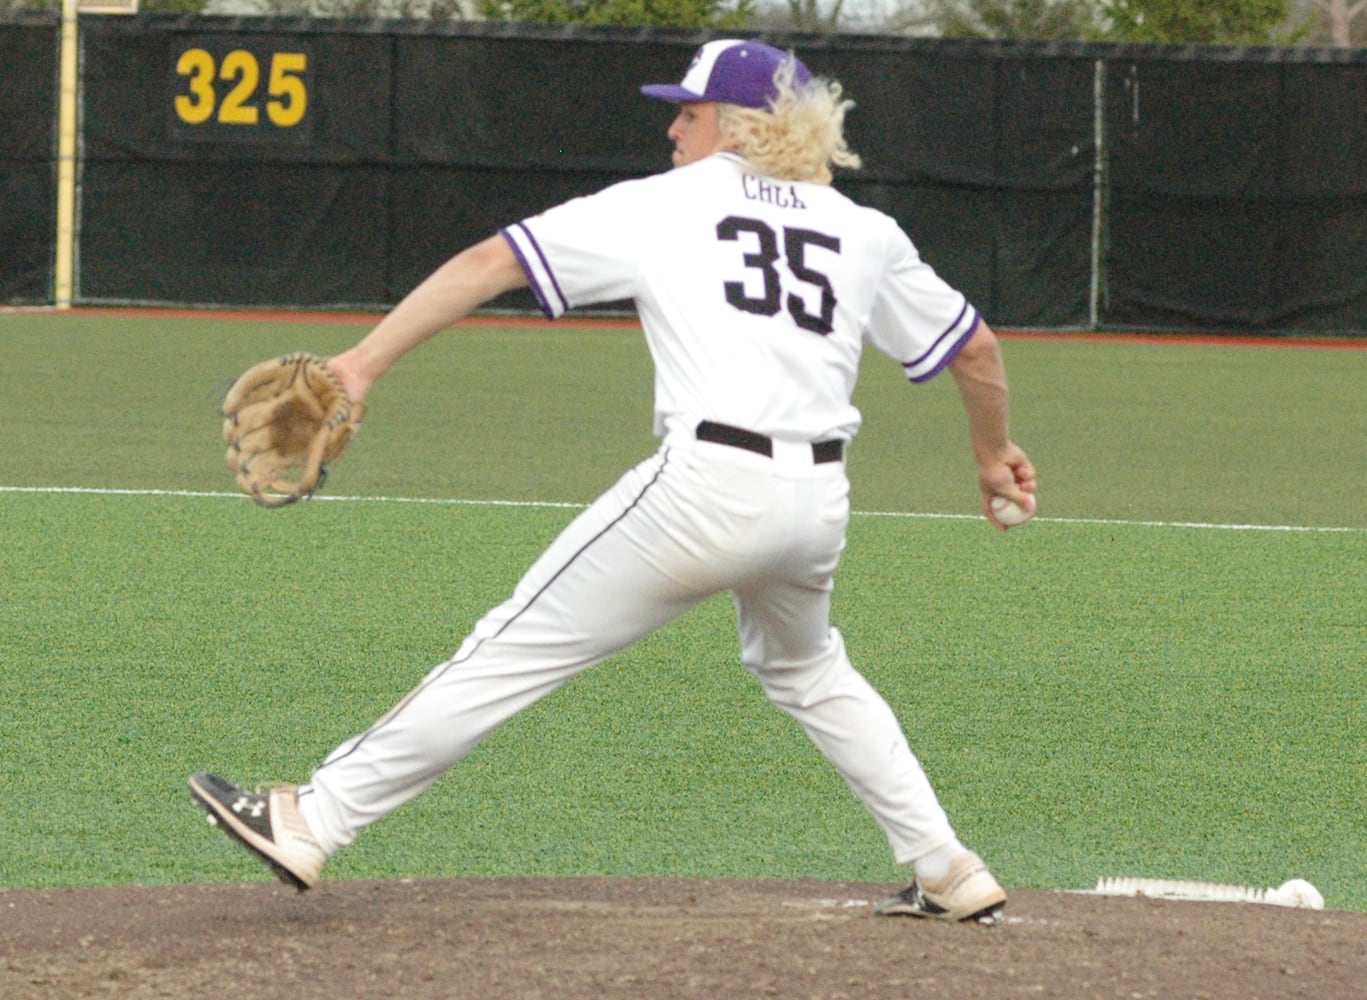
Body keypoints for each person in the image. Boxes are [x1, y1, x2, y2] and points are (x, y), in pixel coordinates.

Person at [190, 38, 1037, 924]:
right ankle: (946, 867)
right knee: (806, 667)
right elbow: (973, 349)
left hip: (705, 488)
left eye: (687, 110)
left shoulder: (669, 205)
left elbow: (492, 262)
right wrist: (991, 453)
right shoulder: (863, 229)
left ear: (740, 123)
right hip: (815, 504)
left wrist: (362, 363)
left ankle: (314, 819)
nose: (673, 127)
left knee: (513, 645)